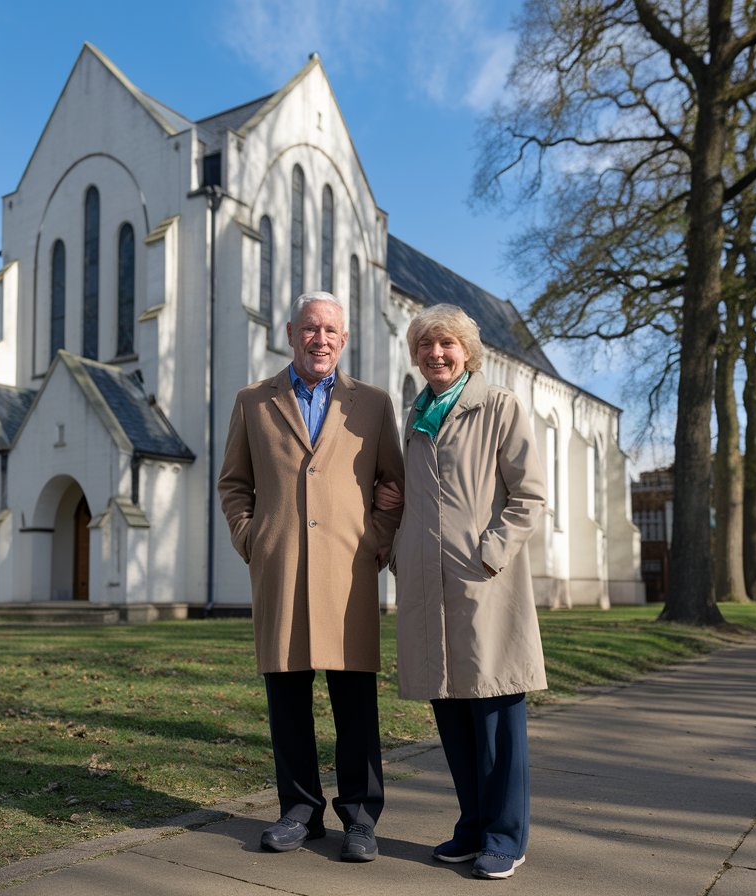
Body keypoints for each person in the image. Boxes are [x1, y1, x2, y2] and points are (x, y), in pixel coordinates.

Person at [218, 291, 404, 862]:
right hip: (280, 570)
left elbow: (392, 484)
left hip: (349, 573)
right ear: (291, 332)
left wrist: (374, 539)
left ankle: (360, 818)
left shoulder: (372, 404)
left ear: (343, 341)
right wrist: (253, 538)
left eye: (330, 331)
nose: (319, 339)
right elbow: (233, 484)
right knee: (288, 699)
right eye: (309, 329)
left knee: (355, 701)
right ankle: (299, 811)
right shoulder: (254, 401)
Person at [381, 303, 547, 880]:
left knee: (497, 710)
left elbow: (529, 496)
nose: (436, 354)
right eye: (425, 346)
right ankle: (473, 825)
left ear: (467, 351)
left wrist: (490, 552)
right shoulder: (417, 416)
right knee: (450, 711)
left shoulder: (498, 405)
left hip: (482, 584)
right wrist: (400, 545)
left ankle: (506, 835)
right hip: (428, 588)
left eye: (446, 344)